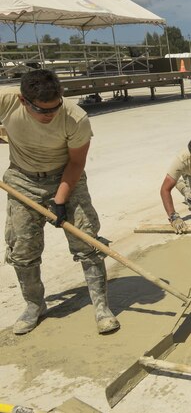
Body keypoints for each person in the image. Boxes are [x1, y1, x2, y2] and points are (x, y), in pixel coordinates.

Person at [0, 70, 119, 335]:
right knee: (22, 250)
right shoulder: (6, 101)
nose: (50, 115)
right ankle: (34, 306)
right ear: (23, 100)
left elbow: (77, 163)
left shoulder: (76, 118)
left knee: (87, 242)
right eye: (43, 111)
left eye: (55, 107)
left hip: (65, 175)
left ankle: (102, 308)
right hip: (21, 179)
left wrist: (60, 200)